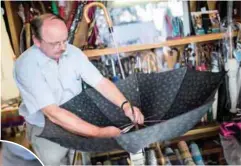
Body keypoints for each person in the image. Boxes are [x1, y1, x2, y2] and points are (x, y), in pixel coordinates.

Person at [13, 13, 144, 166]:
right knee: (55, 162)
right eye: (55, 43)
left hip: (77, 118)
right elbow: (53, 114)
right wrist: (99, 133)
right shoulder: (27, 66)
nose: (62, 48)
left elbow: (101, 83)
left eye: (64, 40)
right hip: (45, 126)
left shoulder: (73, 52)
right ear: (37, 41)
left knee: (82, 161)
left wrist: (125, 106)